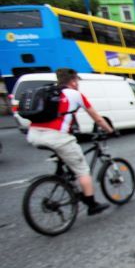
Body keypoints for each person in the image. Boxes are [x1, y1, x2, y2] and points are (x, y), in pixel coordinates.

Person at [26, 68, 114, 215]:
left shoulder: (48, 92)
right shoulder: (75, 94)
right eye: (77, 81)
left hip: (34, 135)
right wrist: (110, 130)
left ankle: (63, 175)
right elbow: (97, 118)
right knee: (82, 170)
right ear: (73, 81)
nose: (77, 84)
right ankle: (92, 204)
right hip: (56, 137)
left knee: (66, 158)